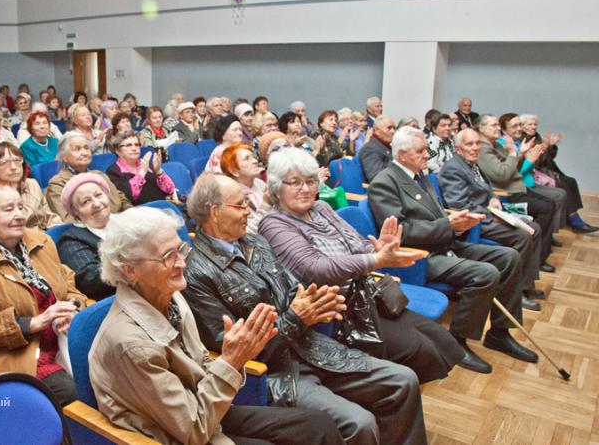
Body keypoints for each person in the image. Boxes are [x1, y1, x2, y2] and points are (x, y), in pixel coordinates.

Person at [183, 173, 427, 445]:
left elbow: (292, 291)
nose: (248, 210)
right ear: (215, 213)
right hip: (276, 372)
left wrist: (318, 302)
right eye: (240, 205)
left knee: (404, 380)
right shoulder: (196, 274)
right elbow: (237, 353)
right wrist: (297, 316)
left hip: (311, 347)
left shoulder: (255, 243)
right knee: (360, 423)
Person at [90, 206, 343, 445]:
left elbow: (200, 366)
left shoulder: (172, 296)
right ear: (131, 271)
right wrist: (231, 362)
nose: (182, 263)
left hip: (206, 408)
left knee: (317, 425)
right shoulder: (130, 344)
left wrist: (236, 357)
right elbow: (192, 430)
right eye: (168, 256)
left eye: (180, 250)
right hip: (179, 433)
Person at [258, 147, 463, 382]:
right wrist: (374, 259)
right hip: (336, 316)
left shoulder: (322, 208)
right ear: (276, 187)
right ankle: (396, 404)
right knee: (422, 352)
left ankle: (404, 397)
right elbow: (316, 268)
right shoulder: (274, 224)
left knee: (443, 341)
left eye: (310, 181)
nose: (305, 189)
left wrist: (379, 248)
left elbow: (358, 244)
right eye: (294, 182)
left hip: (367, 297)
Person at [367, 126, 539, 374]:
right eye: (421, 150)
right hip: (419, 257)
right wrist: (448, 224)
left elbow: (438, 218)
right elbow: (401, 232)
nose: (427, 155)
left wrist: (459, 224)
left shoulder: (419, 176)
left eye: (427, 149)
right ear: (402, 154)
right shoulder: (385, 182)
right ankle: (457, 342)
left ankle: (499, 333)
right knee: (486, 274)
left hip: (445, 243)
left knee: (509, 256)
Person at [0, 184, 87, 407]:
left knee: (112, 370)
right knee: (74, 393)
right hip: (23, 351)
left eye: (21, 207)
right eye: (8, 209)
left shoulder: (41, 241)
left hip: (65, 336)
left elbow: (67, 283)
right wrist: (33, 323)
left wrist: (72, 308)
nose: (19, 215)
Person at [439, 129, 546, 306]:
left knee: (534, 228)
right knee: (524, 235)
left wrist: (494, 198)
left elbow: (488, 189)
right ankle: (515, 293)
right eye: (469, 144)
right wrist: (492, 215)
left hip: (490, 214)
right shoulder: (452, 169)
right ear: (458, 149)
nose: (475, 148)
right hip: (477, 222)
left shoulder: (473, 164)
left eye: (476, 143)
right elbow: (459, 205)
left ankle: (526, 285)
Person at [476, 114, 560, 272]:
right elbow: (502, 175)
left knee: (550, 203)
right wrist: (515, 154)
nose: (498, 128)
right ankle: (537, 254)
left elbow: (513, 168)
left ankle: (538, 252)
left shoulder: (496, 145)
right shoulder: (484, 149)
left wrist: (521, 154)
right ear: (481, 129)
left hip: (516, 187)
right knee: (546, 207)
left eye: (497, 125)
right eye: (494, 125)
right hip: (506, 194)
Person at [518, 114, 596, 233]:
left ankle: (571, 215)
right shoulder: (523, 141)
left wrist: (551, 146)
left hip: (543, 169)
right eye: (530, 124)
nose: (533, 127)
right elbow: (535, 162)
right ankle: (575, 220)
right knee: (562, 185)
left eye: (535, 124)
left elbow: (549, 158)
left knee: (571, 181)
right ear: (522, 126)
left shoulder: (537, 137)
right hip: (536, 171)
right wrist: (546, 146)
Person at [55, 174, 119, 300]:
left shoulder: (128, 221)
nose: (96, 203)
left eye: (98, 195)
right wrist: (133, 264)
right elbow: (90, 281)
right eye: (86, 201)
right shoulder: (71, 240)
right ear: (76, 212)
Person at [44, 133, 131, 222]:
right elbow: (69, 220)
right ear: (64, 157)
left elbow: (122, 199)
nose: (85, 153)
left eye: (86, 148)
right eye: (77, 149)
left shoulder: (99, 175)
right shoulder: (57, 183)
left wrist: (130, 217)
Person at [0, 142, 61, 229]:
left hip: (42, 235)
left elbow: (49, 217)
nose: (14, 167)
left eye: (17, 160)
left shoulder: (31, 184)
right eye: (5, 162)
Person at [105, 131, 175, 205]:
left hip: (163, 207)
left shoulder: (147, 164)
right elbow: (129, 196)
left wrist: (158, 171)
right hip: (138, 213)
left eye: (137, 145)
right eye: (129, 145)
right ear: (118, 151)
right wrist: (142, 173)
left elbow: (170, 190)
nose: (134, 148)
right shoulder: (113, 171)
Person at [219, 143, 269, 235]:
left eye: (253, 157)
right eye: (247, 159)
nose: (255, 161)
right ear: (234, 170)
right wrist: (266, 205)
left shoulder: (259, 184)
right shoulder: (232, 198)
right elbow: (247, 233)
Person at [358, 115, 397, 182]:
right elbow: (376, 177)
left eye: (394, 128)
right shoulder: (369, 149)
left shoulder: (387, 147)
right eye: (389, 128)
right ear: (376, 130)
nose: (393, 132)